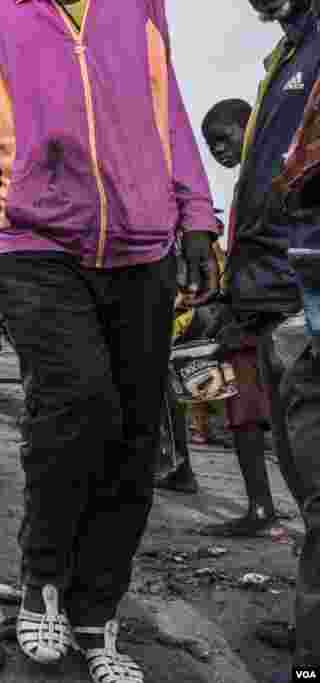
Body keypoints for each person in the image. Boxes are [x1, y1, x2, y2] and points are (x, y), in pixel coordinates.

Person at [0, 1, 218, 680]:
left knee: (134, 434)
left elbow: (167, 107)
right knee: (76, 402)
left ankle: (97, 611)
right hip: (34, 239)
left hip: (143, 245)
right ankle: (44, 578)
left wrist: (197, 214)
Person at [224, 0, 320, 668]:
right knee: (305, 480)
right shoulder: (285, 55)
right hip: (271, 290)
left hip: (301, 287)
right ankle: (311, 626)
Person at [188, 98, 280, 535]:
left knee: (259, 417)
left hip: (262, 315)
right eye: (211, 146)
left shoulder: (267, 176)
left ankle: (262, 509)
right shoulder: (249, 181)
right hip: (246, 311)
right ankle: (260, 506)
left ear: (249, 125)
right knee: (244, 416)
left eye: (224, 138)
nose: (218, 150)